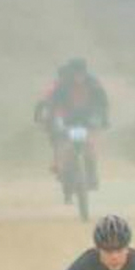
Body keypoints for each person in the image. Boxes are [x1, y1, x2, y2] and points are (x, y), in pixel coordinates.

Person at [33, 58, 110, 187]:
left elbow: (102, 103)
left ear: (85, 72)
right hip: (68, 115)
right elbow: (52, 103)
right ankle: (61, 166)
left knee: (90, 145)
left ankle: (92, 175)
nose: (79, 77)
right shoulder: (62, 84)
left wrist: (103, 119)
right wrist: (50, 121)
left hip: (87, 116)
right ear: (71, 73)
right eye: (76, 73)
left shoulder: (93, 83)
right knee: (63, 144)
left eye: (81, 73)